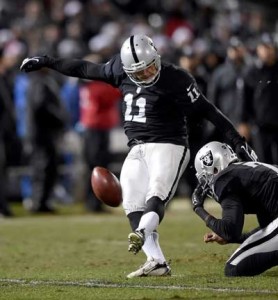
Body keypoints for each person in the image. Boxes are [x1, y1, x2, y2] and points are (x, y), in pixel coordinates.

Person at [20, 35, 257, 278]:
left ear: (157, 57)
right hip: (136, 147)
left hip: (170, 144)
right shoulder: (118, 69)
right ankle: (156, 260)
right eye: (140, 72)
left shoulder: (176, 78)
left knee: (156, 192)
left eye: (150, 68)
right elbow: (84, 68)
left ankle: (142, 232)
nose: (146, 74)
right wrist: (47, 61)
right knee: (131, 200)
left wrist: (237, 141)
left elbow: (209, 110)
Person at [192, 141, 278, 277]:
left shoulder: (224, 179)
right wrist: (232, 238)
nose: (206, 183)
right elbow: (267, 229)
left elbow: (229, 230)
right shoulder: (249, 169)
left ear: (213, 169)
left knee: (233, 268)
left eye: (205, 177)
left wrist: (198, 208)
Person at [242, 32, 278, 164]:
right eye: (264, 47)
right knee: (263, 164)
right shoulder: (251, 72)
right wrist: (243, 122)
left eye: (270, 47)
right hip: (260, 125)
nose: (268, 51)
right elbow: (244, 99)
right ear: (258, 49)